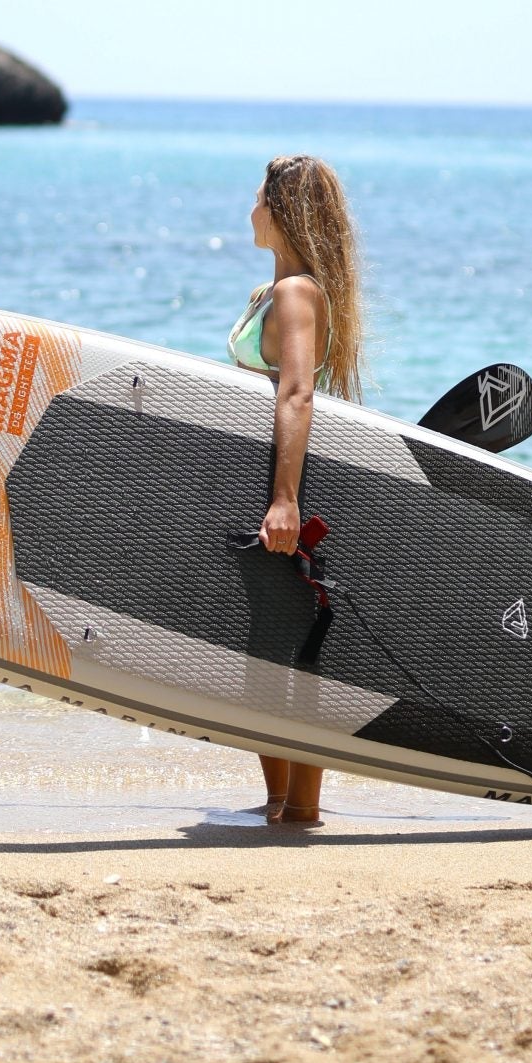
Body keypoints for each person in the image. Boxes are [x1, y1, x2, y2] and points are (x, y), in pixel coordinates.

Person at [226, 153, 364, 826]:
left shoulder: (296, 294)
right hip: (265, 479)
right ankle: (279, 801)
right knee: (265, 646)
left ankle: (300, 807)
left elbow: (297, 393)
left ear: (283, 211)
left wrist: (284, 499)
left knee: (288, 650)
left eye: (258, 198)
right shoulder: (272, 292)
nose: (250, 209)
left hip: (291, 486)